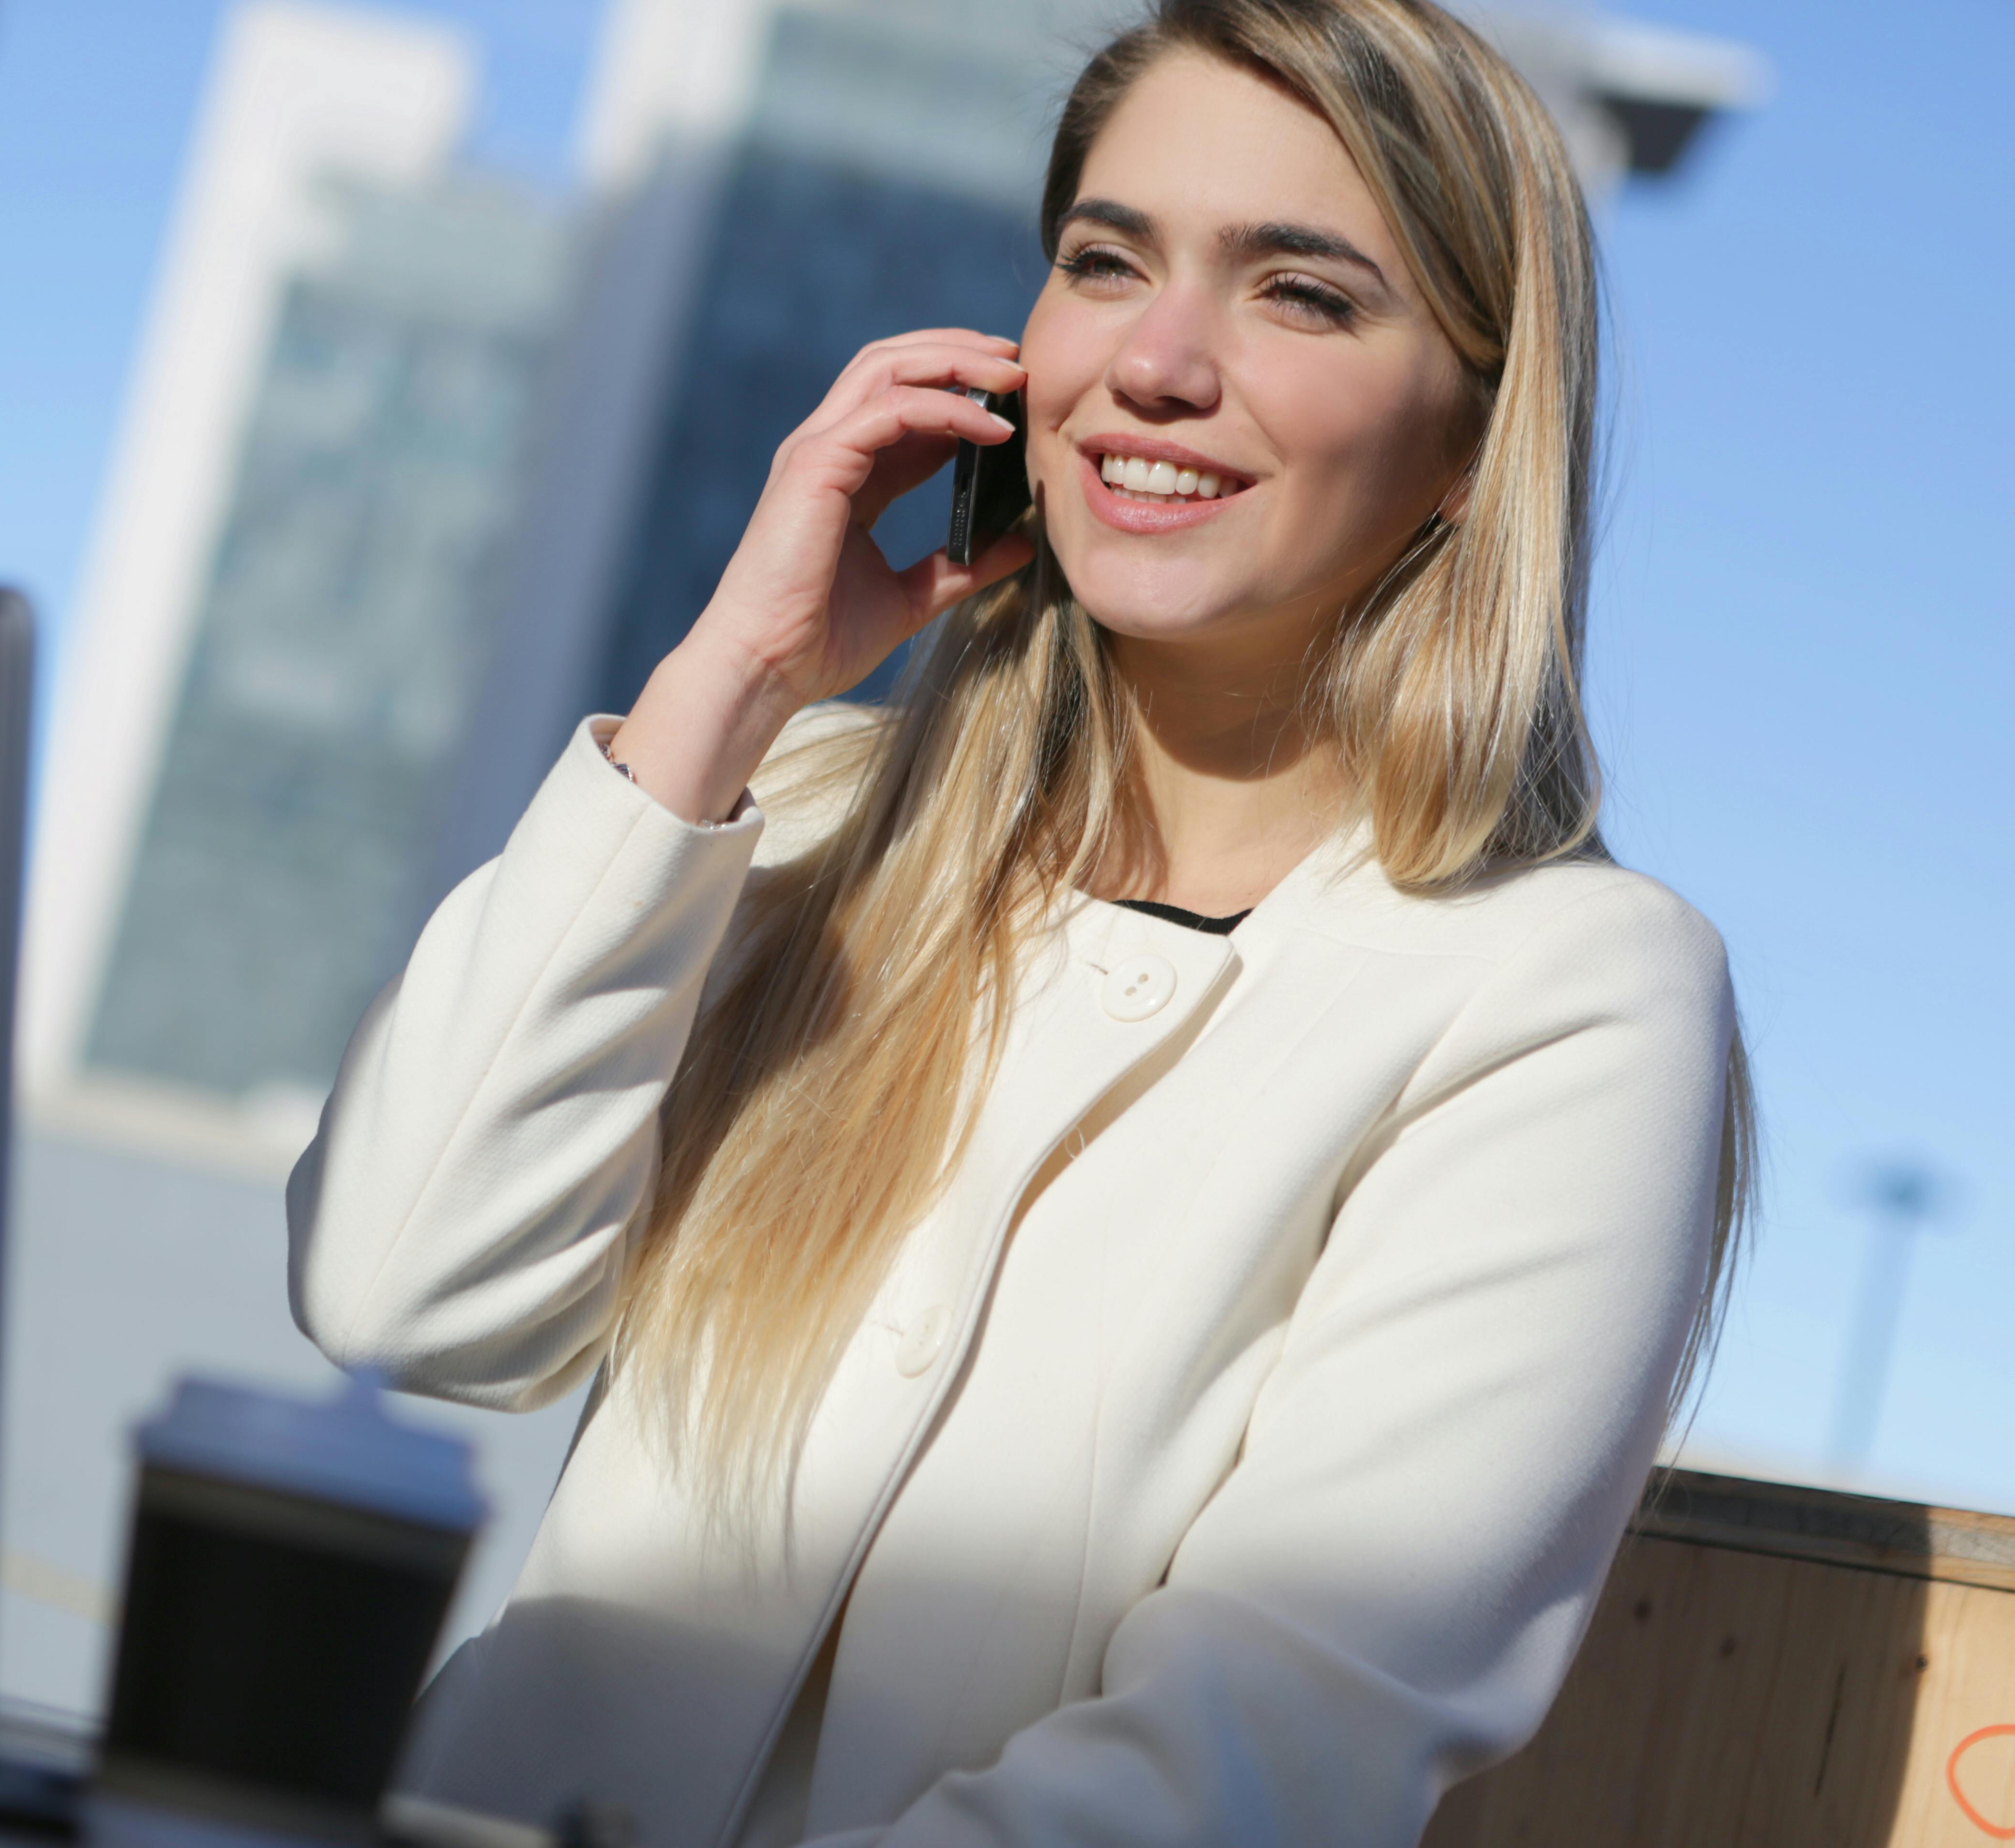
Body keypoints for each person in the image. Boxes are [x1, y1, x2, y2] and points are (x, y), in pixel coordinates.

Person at [287, 0, 1753, 1841]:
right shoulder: (801, 819)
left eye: (1299, 292)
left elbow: (1258, 1752)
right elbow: (401, 1292)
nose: (1153, 360)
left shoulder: (1569, 999)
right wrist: (727, 684)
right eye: (1104, 261)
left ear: (1474, 437)